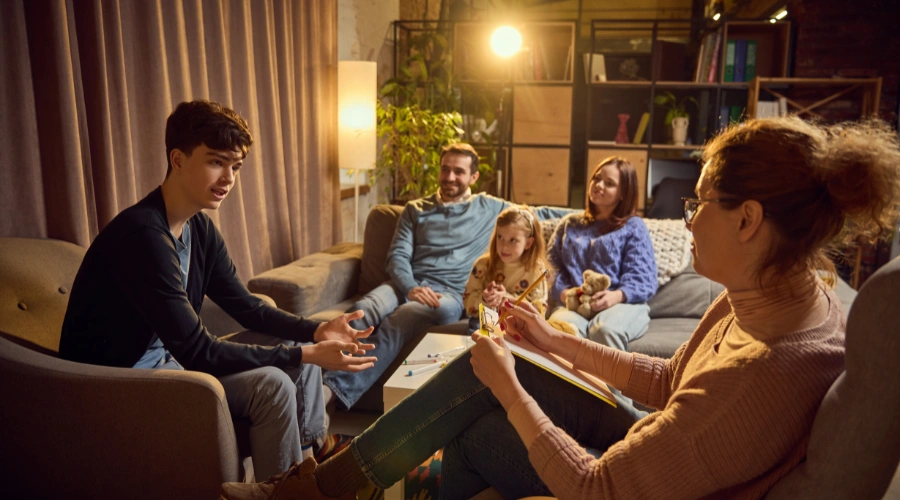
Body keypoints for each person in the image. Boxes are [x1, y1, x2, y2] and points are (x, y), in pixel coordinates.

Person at [220, 115, 900, 499]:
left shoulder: (756, 380)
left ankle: (335, 491)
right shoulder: (769, 294)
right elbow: (667, 383)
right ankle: (334, 489)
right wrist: (549, 340)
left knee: (478, 419)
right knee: (481, 380)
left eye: (698, 205)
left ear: (748, 219)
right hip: (647, 434)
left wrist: (512, 386)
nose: (687, 221)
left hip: (629, 481)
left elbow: (598, 490)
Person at [58, 99, 377, 480]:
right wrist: (308, 351)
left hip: (169, 366)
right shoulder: (143, 236)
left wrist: (314, 331)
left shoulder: (198, 228)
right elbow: (197, 350)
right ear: (177, 160)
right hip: (119, 383)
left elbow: (245, 306)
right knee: (276, 381)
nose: (228, 178)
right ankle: (291, 490)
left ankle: (311, 464)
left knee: (300, 359)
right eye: (216, 161)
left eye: (235, 166)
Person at [321, 143, 571, 413]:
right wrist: (411, 286)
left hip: (448, 295)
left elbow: (538, 213)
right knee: (363, 309)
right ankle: (309, 375)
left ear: (473, 177)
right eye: (445, 169)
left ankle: (328, 393)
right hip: (404, 285)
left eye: (459, 172)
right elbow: (397, 257)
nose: (450, 177)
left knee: (401, 318)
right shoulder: (415, 209)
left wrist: (590, 216)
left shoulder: (488, 207)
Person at [547, 156, 658, 351]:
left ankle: (610, 383)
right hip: (575, 304)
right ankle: (566, 383)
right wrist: (565, 295)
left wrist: (615, 296)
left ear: (623, 193)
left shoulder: (633, 227)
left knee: (603, 330)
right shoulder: (569, 224)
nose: (598, 185)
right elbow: (550, 268)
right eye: (596, 179)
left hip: (621, 304)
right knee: (562, 328)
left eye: (609, 183)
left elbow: (643, 278)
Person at [463, 205, 550, 333]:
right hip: (486, 322)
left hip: (520, 327)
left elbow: (538, 311)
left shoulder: (536, 269)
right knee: (478, 333)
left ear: (528, 243)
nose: (504, 246)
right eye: (500, 237)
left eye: (512, 240)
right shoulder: (483, 265)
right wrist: (485, 299)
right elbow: (468, 304)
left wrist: (508, 299)